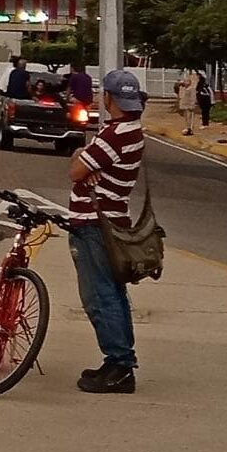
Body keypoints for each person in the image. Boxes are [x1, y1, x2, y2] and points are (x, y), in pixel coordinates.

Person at [67, 68, 146, 394]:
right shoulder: (129, 130)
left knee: (99, 295)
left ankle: (119, 365)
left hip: (95, 225)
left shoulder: (115, 135)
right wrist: (84, 164)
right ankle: (119, 360)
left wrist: (83, 165)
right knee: (112, 293)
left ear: (108, 98)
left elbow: (75, 169)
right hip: (110, 222)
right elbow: (82, 165)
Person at [175, 67, 201, 134]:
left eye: (187, 81)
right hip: (184, 105)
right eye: (185, 81)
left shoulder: (191, 89)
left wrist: (192, 104)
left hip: (189, 105)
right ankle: (187, 127)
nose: (185, 83)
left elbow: (193, 97)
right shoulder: (183, 88)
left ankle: (190, 129)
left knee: (190, 117)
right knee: (186, 117)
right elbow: (180, 96)